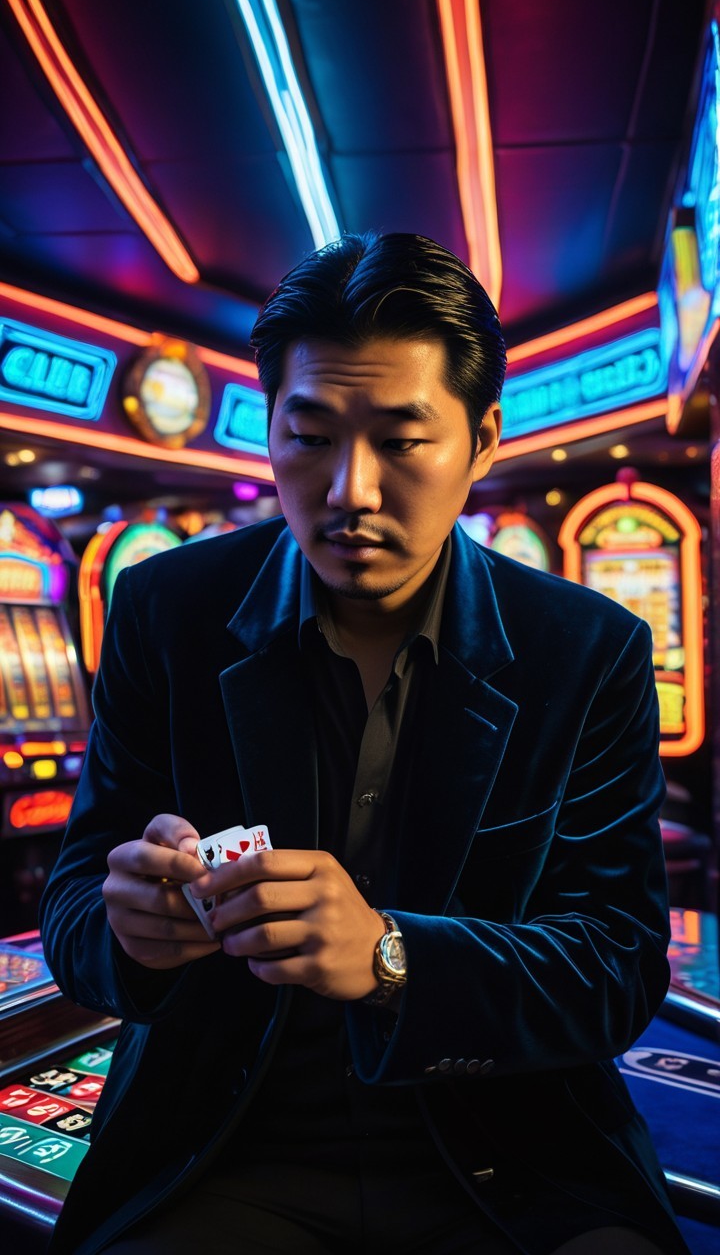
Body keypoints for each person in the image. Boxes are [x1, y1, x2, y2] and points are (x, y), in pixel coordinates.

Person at [39, 233, 690, 1255]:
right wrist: (126, 930)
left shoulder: (589, 648)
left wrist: (392, 954)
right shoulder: (167, 608)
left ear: (482, 441)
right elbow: (76, 900)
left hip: (517, 1156)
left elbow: (616, 964)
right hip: (225, 1147)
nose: (349, 487)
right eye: (310, 435)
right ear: (270, 436)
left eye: (400, 438)